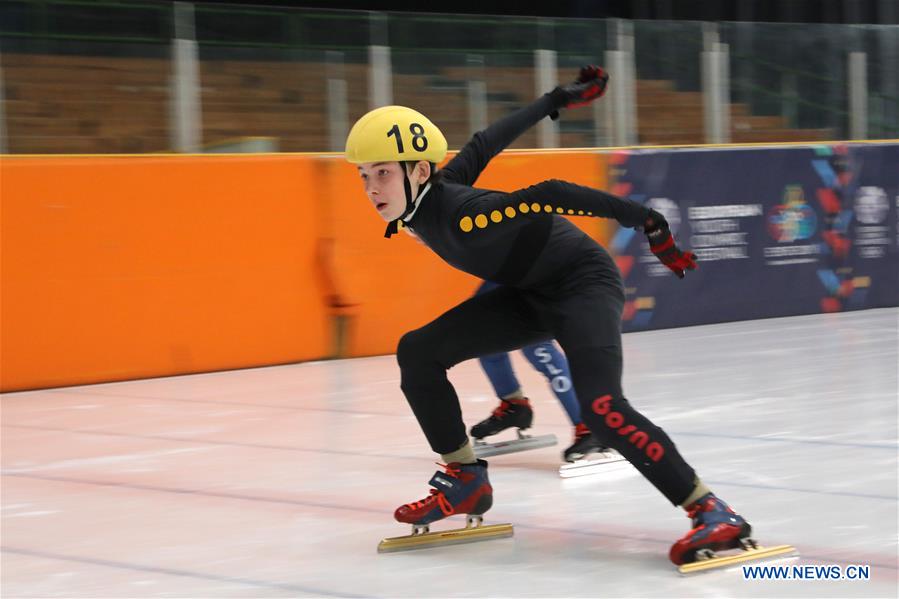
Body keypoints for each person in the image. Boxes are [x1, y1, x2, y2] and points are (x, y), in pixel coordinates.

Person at [345, 65, 750, 565]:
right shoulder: (429, 199)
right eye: (364, 176)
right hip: (530, 292)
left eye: (383, 173)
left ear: (419, 172)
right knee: (419, 352)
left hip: (583, 284)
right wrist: (555, 99)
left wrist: (647, 221)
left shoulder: (462, 216)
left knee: (602, 407)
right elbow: (487, 142)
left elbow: (551, 193)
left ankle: (711, 510)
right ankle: (465, 478)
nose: (371, 188)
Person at [470, 279, 604, 463]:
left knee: (537, 344)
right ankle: (514, 406)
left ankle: (589, 425)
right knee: (483, 333)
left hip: (534, 272)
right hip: (503, 272)